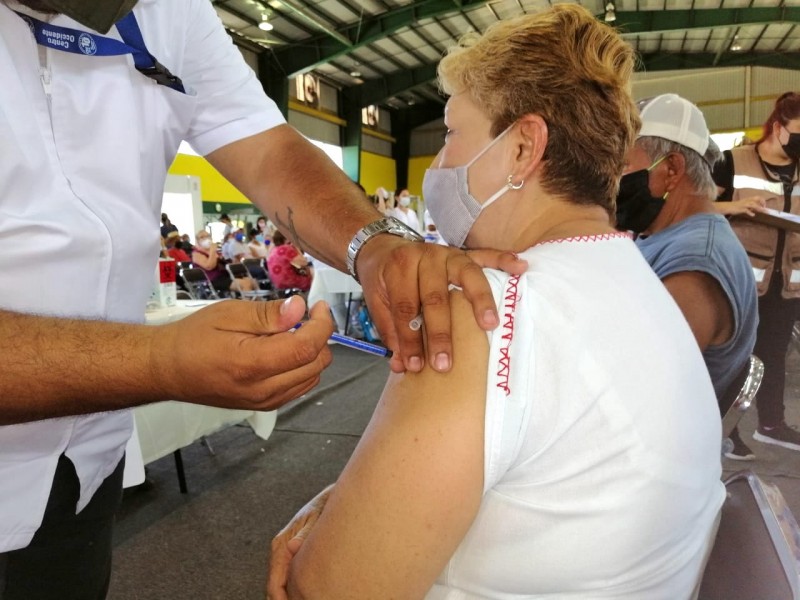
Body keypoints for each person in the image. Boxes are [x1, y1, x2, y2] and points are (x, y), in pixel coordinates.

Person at [1, 1, 527, 596]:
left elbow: (267, 149)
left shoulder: (168, 12)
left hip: (83, 469)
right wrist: (158, 362)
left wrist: (376, 246)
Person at [268, 7, 724, 599]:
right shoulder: (640, 284)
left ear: (522, 148)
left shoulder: (483, 309)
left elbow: (322, 589)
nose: (439, 165)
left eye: (454, 133)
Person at [615, 94, 759, 459]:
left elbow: (641, 392)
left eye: (621, 165)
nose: (610, 180)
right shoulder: (661, 235)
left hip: (651, 462)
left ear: (672, 169)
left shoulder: (695, 261)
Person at [713, 91, 800, 455]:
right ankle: (723, 430)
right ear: (778, 128)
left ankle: (772, 424)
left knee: (774, 353)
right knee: (733, 355)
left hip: (787, 282)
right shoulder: (733, 161)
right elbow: (698, 206)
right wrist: (737, 205)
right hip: (742, 280)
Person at [192, 230, 254, 297]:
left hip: (224, 275)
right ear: (197, 241)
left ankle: (257, 305)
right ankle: (247, 306)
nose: (206, 238)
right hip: (212, 280)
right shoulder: (197, 254)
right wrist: (212, 251)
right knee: (245, 284)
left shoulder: (214, 252)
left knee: (252, 282)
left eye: (208, 236)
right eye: (202, 237)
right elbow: (209, 266)